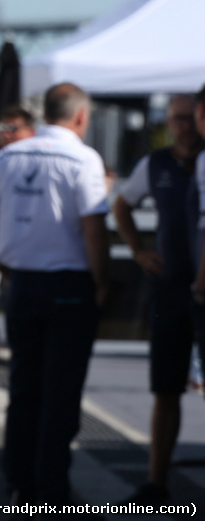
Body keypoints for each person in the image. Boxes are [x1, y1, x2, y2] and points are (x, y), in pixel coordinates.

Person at [0, 83, 109, 506]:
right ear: (81, 117)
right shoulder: (83, 158)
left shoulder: (8, 155)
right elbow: (93, 228)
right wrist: (101, 282)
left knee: (24, 388)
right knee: (61, 393)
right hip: (68, 283)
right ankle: (52, 495)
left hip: (23, 283)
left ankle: (19, 487)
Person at [113, 94, 203, 505]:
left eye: (189, 118)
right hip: (170, 286)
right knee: (165, 387)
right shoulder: (156, 164)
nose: (183, 126)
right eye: (176, 120)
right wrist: (136, 249)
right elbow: (121, 204)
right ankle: (157, 482)